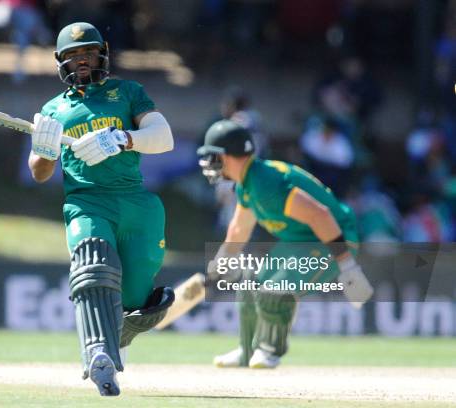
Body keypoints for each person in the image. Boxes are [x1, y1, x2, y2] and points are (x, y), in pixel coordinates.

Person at [28, 22, 175, 396]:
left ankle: (116, 334)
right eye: (73, 55)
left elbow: (164, 138)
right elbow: (40, 172)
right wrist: (45, 149)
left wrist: (122, 138)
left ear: (102, 53)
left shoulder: (127, 92)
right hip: (88, 202)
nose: (82, 60)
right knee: (93, 265)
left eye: (88, 53)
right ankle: (97, 354)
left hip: (137, 204)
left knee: (142, 304)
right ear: (60, 61)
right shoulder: (53, 110)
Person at [198, 120, 373, 369]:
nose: (209, 163)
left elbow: (320, 215)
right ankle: (247, 350)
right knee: (249, 282)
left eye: (213, 156)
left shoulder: (266, 182)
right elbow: (239, 229)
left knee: (274, 289)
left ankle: (270, 349)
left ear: (230, 155)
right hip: (300, 241)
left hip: (332, 239)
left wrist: (348, 266)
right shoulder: (248, 184)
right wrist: (221, 261)